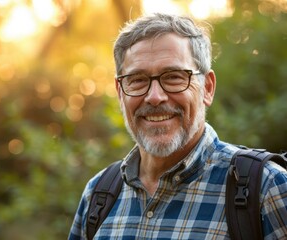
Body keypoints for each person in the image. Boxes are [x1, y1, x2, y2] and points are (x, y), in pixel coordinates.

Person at [68, 13, 287, 239]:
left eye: (173, 77)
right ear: (120, 92)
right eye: (137, 79)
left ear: (208, 88)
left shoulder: (268, 189)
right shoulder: (97, 195)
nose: (154, 97)